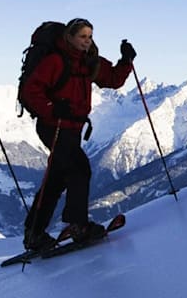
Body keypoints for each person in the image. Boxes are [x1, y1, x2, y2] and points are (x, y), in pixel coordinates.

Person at [20, 18, 135, 251]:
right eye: (82, 36)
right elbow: (29, 92)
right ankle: (78, 225)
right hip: (54, 125)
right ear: (69, 37)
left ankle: (35, 233)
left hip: (73, 127)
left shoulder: (88, 61)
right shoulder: (55, 61)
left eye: (90, 36)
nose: (87, 41)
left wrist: (126, 61)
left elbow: (112, 79)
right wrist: (52, 109)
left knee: (57, 179)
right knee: (79, 168)